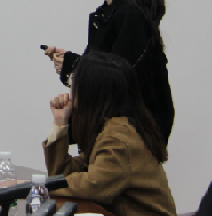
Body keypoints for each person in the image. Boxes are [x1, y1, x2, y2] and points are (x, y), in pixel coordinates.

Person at [44, 0, 173, 143]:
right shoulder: (108, 16)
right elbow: (104, 72)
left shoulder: (131, 18)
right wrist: (70, 64)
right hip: (111, 140)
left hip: (128, 145)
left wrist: (73, 65)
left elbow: (115, 82)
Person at [44, 51, 176, 216]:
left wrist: (40, 186)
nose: (71, 87)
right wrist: (60, 123)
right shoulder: (113, 127)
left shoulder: (119, 137)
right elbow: (64, 174)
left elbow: (93, 185)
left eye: (74, 80)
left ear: (92, 90)